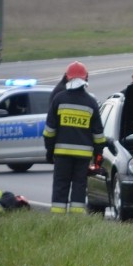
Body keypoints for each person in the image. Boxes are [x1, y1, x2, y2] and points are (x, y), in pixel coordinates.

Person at [43, 61, 106, 214]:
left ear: (67, 77)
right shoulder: (91, 103)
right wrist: (97, 154)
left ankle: (58, 219)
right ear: (86, 79)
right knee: (79, 185)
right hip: (83, 157)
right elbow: (98, 135)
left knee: (60, 185)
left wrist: (50, 150)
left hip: (62, 155)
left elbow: (49, 131)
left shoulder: (58, 99)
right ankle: (76, 219)